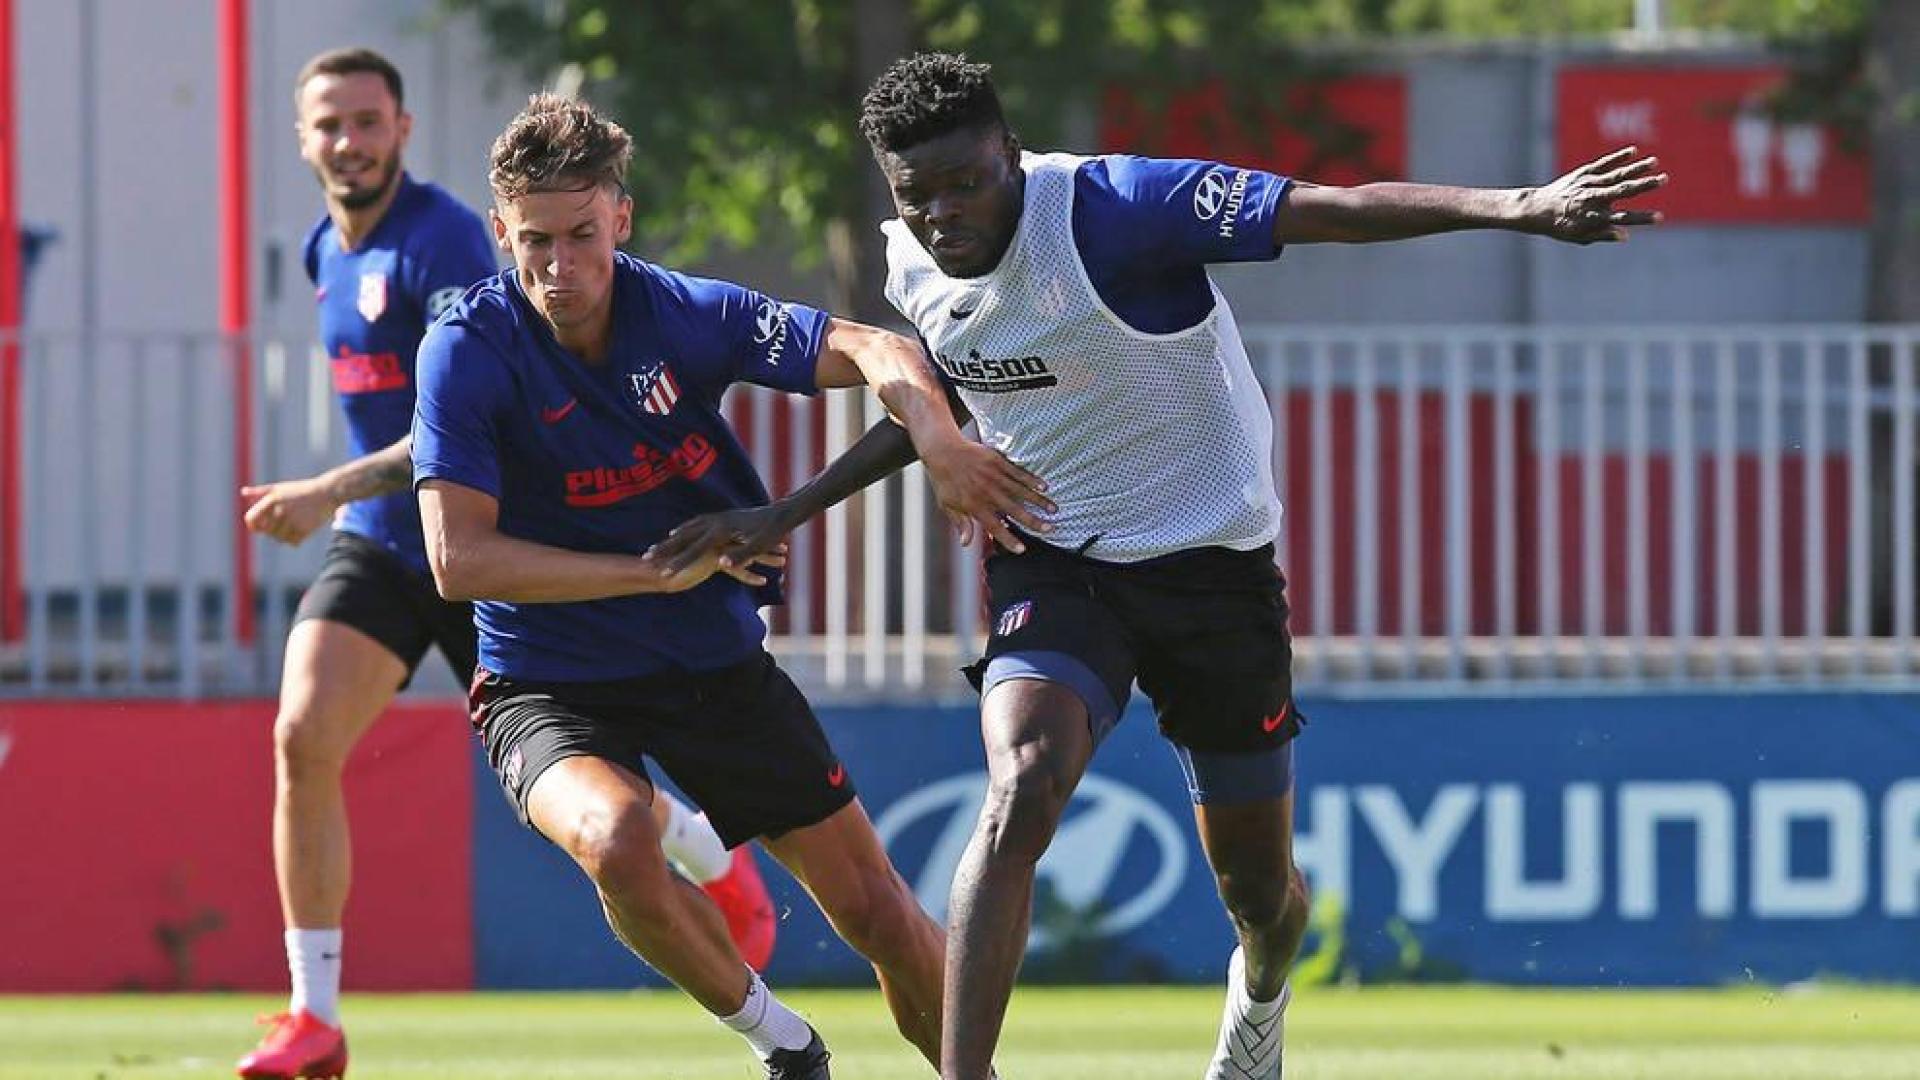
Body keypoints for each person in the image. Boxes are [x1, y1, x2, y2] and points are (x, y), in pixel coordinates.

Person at [656, 51, 1668, 1080]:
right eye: (920, 195)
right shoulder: (909, 263)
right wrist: (790, 508)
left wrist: (1517, 206)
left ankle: (1260, 996)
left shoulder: (1120, 209)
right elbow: (954, 386)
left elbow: (1329, 207)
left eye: (968, 183)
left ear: (1011, 153)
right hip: (1057, 560)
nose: (945, 215)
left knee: (1259, 896)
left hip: (1214, 568)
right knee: (1021, 787)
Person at [410, 93, 1042, 1079]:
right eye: (535, 241)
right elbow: (459, 561)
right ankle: (781, 1043)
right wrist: (653, 574)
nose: (560, 266)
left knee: (877, 913)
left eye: (582, 236)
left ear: (622, 217)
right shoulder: (465, 347)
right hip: (545, 682)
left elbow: (881, 347)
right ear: (501, 233)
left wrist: (942, 442)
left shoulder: (681, 314)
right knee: (616, 839)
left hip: (711, 665)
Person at [233, 49, 777, 1080]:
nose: (349, 142)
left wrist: (324, 489)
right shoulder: (323, 251)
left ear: (402, 129)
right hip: (385, 547)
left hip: (488, 545)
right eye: (329, 125)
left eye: (367, 121)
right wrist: (348, 503)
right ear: (302, 140)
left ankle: (708, 852)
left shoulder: (441, 240)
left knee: (577, 790)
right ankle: (315, 1018)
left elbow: (455, 419)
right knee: (301, 734)